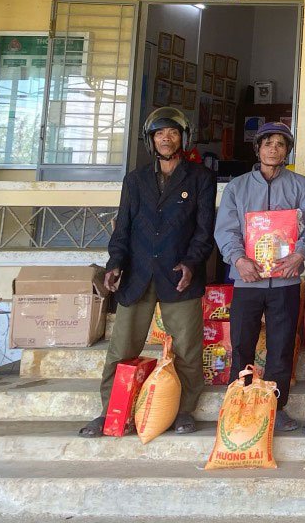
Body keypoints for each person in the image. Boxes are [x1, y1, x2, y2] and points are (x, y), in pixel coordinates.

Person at [79, 107, 216, 437]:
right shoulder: (135, 179)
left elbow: (204, 231)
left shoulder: (201, 178)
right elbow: (123, 227)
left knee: (187, 349)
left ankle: (184, 410)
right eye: (159, 133)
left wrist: (191, 263)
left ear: (184, 138)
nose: (166, 138)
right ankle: (110, 411)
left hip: (180, 276)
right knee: (122, 349)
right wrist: (115, 264)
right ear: (150, 140)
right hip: (137, 274)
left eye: (173, 132)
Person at [214, 120, 305, 433]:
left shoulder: (302, 187)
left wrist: (300, 254)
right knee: (241, 344)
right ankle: (240, 402)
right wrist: (238, 259)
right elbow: (226, 229)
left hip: (285, 280)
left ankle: (276, 407)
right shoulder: (237, 187)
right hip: (247, 279)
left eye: (280, 144)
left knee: (281, 347)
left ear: (287, 151)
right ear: (257, 148)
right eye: (268, 143)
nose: (273, 149)